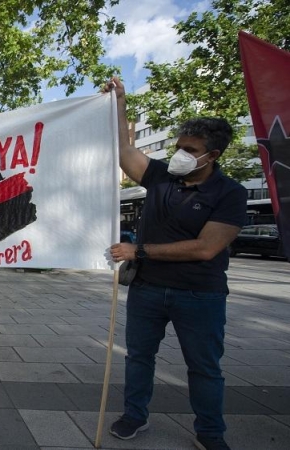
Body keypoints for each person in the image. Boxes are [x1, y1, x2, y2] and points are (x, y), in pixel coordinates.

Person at [105, 77, 247, 450]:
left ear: (212, 155)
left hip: (200, 295)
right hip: (148, 290)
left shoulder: (230, 193)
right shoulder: (162, 175)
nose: (180, 154)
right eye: (179, 146)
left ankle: (210, 434)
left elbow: (206, 248)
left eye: (190, 149)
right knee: (138, 358)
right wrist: (120, 103)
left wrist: (141, 251)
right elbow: (124, 150)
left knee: (204, 368)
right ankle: (135, 416)